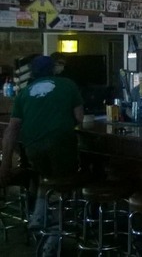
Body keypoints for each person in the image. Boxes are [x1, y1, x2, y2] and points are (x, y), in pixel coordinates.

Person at [0, 55, 84, 229]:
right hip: (61, 145)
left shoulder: (24, 92)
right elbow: (79, 117)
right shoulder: (68, 84)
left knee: (46, 178)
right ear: (53, 69)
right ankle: (54, 233)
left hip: (33, 149)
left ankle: (38, 216)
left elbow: (12, 128)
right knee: (64, 182)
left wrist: (5, 164)